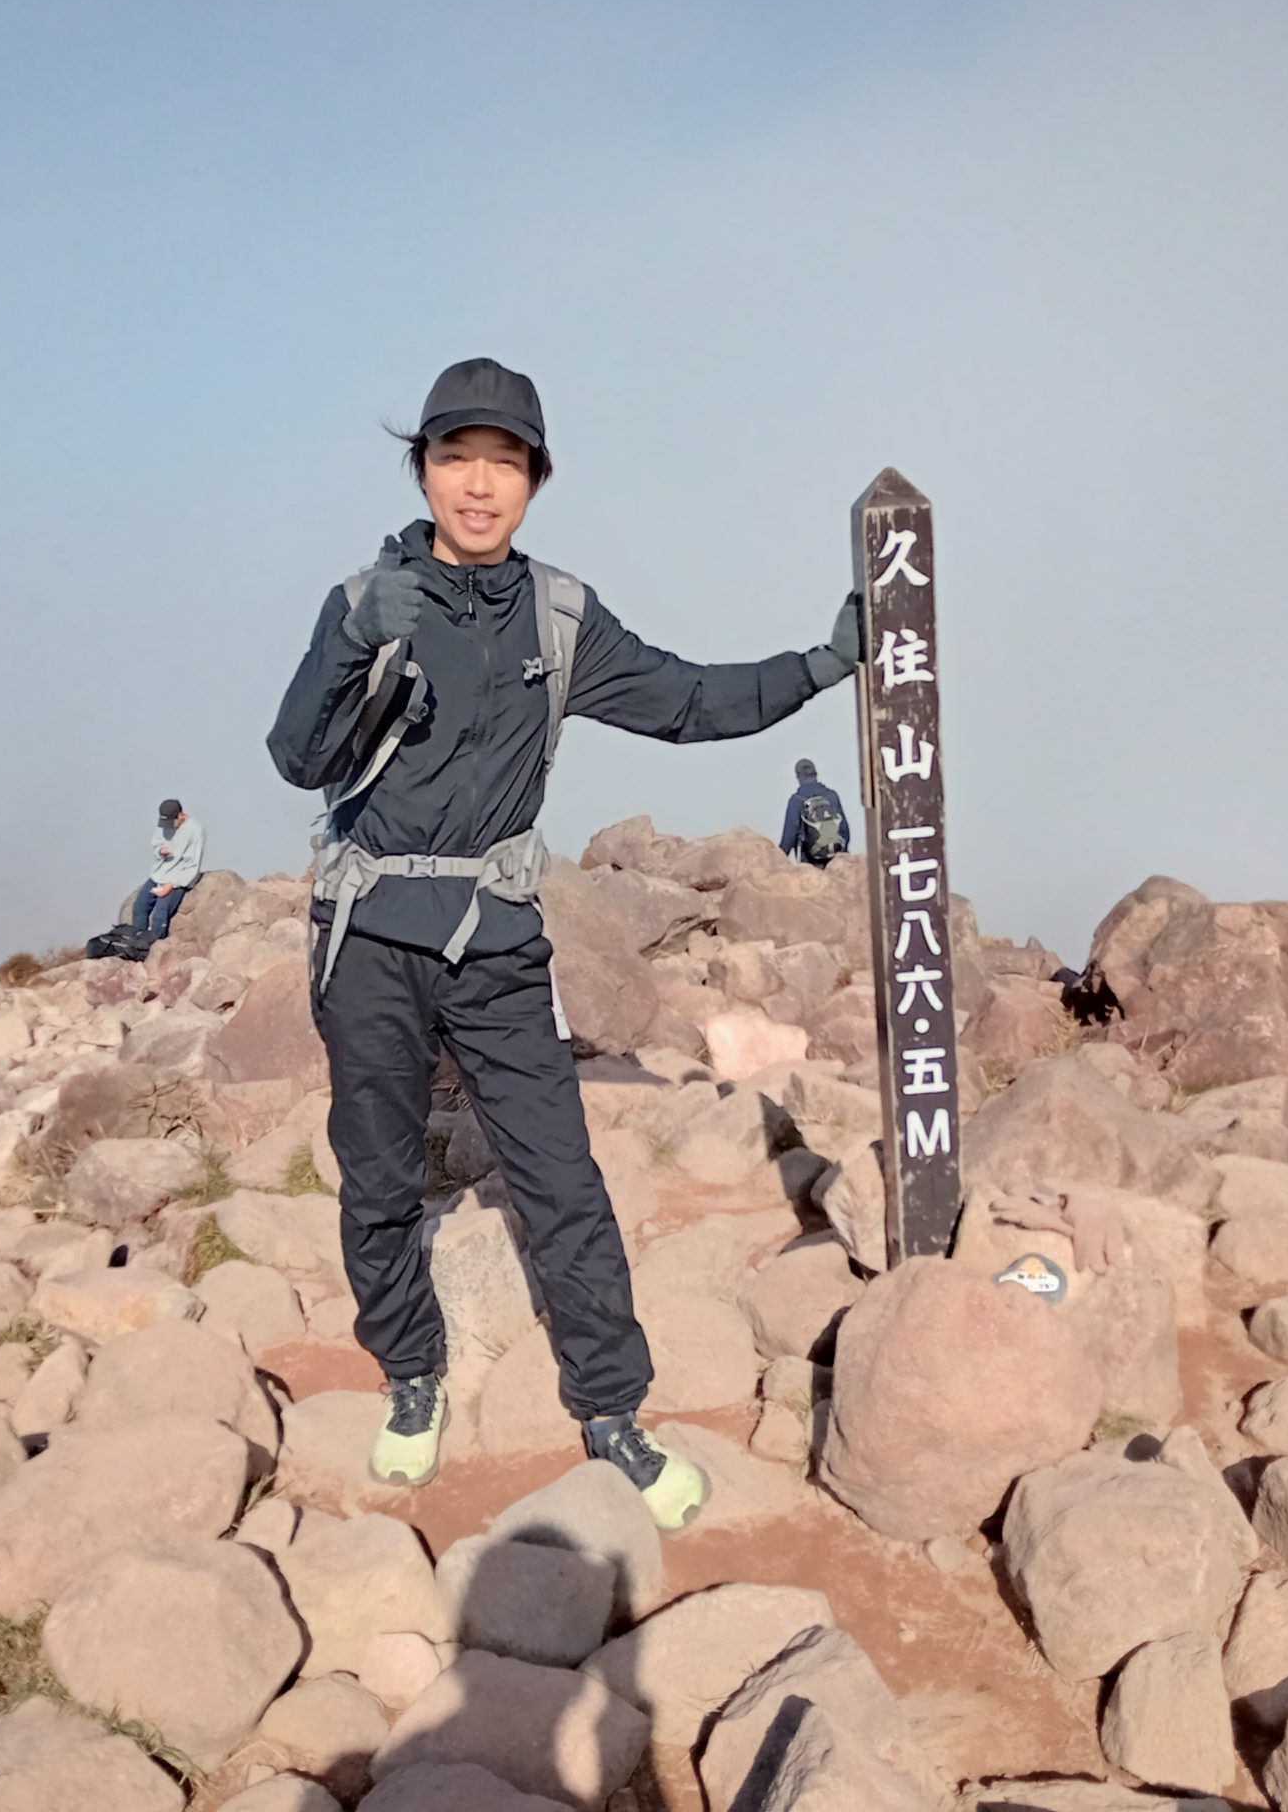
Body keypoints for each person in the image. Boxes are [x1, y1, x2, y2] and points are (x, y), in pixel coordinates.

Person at [268, 357, 861, 1531]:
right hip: (371, 940)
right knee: (381, 1178)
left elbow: (688, 700)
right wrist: (346, 637)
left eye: (504, 463)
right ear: (423, 468)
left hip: (493, 942)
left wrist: (819, 666)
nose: (478, 486)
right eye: (455, 458)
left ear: (534, 479)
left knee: (560, 1178)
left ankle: (612, 1411)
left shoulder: (559, 615)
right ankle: (413, 1376)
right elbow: (298, 756)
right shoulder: (366, 599)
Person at [131, 799, 203, 945]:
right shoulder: (163, 825)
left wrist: (172, 884)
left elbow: (192, 866)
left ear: (180, 815)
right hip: (159, 874)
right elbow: (156, 843)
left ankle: (155, 947)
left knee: (160, 913)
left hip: (178, 879)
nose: (167, 827)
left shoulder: (195, 830)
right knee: (140, 906)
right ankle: (137, 944)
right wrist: (160, 851)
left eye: (171, 822)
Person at [778, 757, 852, 866]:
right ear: (815, 774)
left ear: (798, 777)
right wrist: (842, 854)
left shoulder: (796, 800)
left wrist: (778, 862)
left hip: (810, 864)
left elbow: (789, 838)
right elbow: (845, 830)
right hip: (836, 861)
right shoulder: (832, 796)